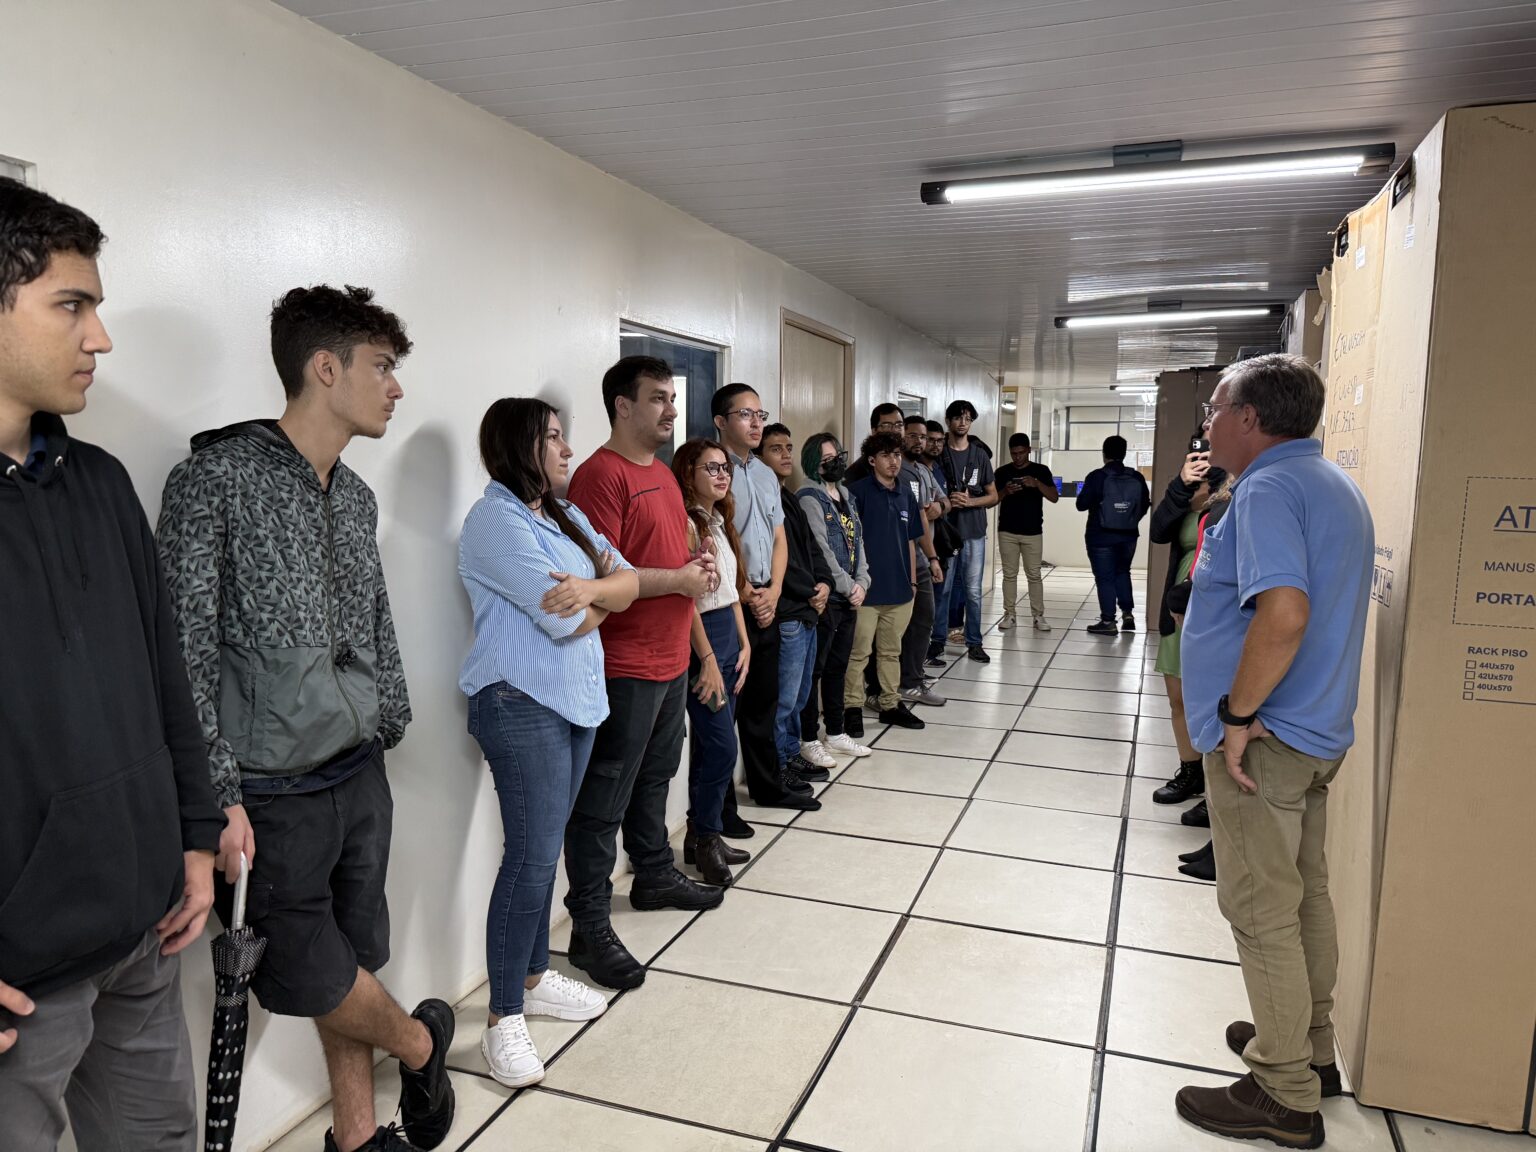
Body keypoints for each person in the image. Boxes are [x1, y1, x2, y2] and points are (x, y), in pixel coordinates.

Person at [158, 285, 455, 1152]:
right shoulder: (214, 480)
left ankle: (356, 1137)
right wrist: (216, 794)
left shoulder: (354, 495)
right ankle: (421, 1044)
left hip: (358, 770)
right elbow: (181, 648)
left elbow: (374, 618)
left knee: (353, 956)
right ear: (325, 368)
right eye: (382, 367)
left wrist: (388, 716)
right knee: (302, 972)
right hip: (267, 790)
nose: (396, 387)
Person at [0, 178, 226, 1152]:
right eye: (71, 305)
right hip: (20, 979)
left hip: (142, 927)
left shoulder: (99, 482)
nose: (100, 338)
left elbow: (164, 676)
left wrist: (195, 837)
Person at [1173, 354, 1373, 1149]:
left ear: (1251, 419)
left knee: (1259, 908)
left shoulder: (1266, 490)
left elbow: (1283, 615)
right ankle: (1309, 1048)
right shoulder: (1332, 482)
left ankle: (1281, 1091)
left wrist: (1236, 715)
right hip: (1317, 730)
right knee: (1303, 896)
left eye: (1217, 408)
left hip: (1268, 738)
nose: (1209, 422)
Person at [459, 398, 639, 1089]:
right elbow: (567, 621)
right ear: (519, 446)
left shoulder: (565, 514)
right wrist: (603, 596)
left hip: (574, 702)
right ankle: (502, 1019)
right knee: (530, 860)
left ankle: (534, 978)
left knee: (544, 851)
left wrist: (594, 591)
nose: (567, 450)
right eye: (554, 438)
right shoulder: (495, 522)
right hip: (518, 702)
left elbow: (628, 582)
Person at [563, 357, 724, 992]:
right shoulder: (598, 478)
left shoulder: (660, 474)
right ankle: (588, 927)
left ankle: (653, 874)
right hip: (623, 665)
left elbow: (673, 564)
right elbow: (604, 579)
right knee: (603, 800)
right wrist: (680, 578)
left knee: (656, 778)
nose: (671, 410)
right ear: (622, 406)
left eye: (671, 399)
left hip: (670, 658)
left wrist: (697, 573)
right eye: (657, 398)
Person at [714, 385, 821, 811]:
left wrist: (774, 591)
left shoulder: (762, 473)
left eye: (759, 414)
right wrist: (746, 591)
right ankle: (719, 809)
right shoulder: (711, 469)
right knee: (723, 714)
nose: (756, 423)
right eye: (745, 415)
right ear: (721, 422)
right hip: (730, 602)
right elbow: (715, 539)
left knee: (764, 702)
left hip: (767, 601)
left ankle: (767, 786)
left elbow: (779, 539)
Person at [671, 437, 752, 886]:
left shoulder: (719, 520)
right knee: (722, 746)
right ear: (689, 473)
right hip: (701, 639)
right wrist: (707, 659)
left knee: (710, 746)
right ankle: (705, 837)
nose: (722, 475)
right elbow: (689, 601)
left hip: (728, 636)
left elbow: (733, 592)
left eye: (725, 468)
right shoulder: (686, 523)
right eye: (711, 468)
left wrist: (744, 645)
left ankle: (704, 833)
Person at [1147, 438, 1229, 816]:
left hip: (1213, 607)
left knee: (1212, 699)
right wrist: (1181, 485)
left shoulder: (1234, 491)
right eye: (1196, 455)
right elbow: (1158, 531)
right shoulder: (1183, 491)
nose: (1201, 461)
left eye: (1209, 455)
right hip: (1178, 605)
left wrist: (1220, 480)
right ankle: (1190, 771)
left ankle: (1217, 786)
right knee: (1178, 697)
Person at [756, 424, 834, 778]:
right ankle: (779, 764)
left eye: (789, 447)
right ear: (759, 457)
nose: (786, 455)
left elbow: (813, 551)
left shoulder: (789, 497)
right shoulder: (762, 498)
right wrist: (809, 592)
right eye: (776, 449)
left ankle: (789, 752)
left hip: (808, 611)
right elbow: (776, 561)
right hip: (788, 611)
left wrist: (825, 583)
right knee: (784, 699)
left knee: (801, 696)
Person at [798, 434, 874, 755]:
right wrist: (847, 585)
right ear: (813, 464)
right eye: (827, 459)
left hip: (850, 598)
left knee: (838, 667)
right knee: (814, 670)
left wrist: (863, 582)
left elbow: (858, 543)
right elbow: (822, 550)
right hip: (827, 598)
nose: (836, 463)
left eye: (838, 456)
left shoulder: (846, 495)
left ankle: (836, 731)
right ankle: (809, 738)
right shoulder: (808, 498)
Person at [846, 433, 925, 730]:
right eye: (886, 455)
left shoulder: (906, 494)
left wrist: (913, 583)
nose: (894, 461)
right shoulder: (856, 493)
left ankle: (890, 704)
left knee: (892, 653)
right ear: (871, 460)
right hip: (866, 592)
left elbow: (910, 541)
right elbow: (849, 543)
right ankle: (852, 707)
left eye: (897, 455)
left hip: (900, 591)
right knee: (859, 654)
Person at [933, 399, 997, 663]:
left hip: (973, 532)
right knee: (943, 589)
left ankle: (974, 642)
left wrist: (970, 502)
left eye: (968, 418)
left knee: (972, 591)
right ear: (948, 421)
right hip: (945, 533)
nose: (963, 423)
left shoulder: (979, 455)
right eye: (958, 418)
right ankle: (937, 641)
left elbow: (993, 496)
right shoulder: (938, 454)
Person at [1077, 434, 1151, 636]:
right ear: (1125, 453)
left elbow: (1081, 505)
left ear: (1104, 454)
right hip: (1128, 536)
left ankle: (1108, 621)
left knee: (1105, 578)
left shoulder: (1097, 477)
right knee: (1123, 571)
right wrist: (1130, 520)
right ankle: (1128, 614)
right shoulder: (1136, 477)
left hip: (1100, 537)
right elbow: (1144, 505)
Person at [898, 414, 947, 706]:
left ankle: (913, 676)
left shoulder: (922, 471)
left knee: (923, 618)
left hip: (921, 556)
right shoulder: (900, 471)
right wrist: (931, 557)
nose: (920, 442)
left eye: (923, 437)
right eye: (913, 435)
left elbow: (942, 503)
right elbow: (916, 522)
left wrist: (940, 507)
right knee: (913, 621)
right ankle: (909, 681)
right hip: (907, 559)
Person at [993, 432, 1058, 632]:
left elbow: (1054, 497)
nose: (1017, 457)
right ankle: (1009, 614)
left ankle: (1038, 616)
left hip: (1033, 531)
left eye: (1021, 453)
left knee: (1034, 575)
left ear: (1029, 450)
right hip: (1007, 531)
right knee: (1009, 575)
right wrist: (1005, 492)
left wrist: (1036, 483)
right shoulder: (1002, 472)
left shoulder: (1041, 470)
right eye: (1014, 453)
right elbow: (991, 500)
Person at [922, 419, 954, 668]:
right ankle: (921, 653)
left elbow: (946, 502)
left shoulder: (938, 471)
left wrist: (940, 506)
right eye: (929, 440)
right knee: (923, 607)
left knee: (940, 597)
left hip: (939, 544)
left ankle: (935, 644)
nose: (934, 445)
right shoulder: (915, 471)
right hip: (920, 549)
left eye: (939, 441)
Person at [843, 401, 906, 483]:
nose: (894, 430)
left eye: (899, 425)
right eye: (886, 426)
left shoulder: (906, 465)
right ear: (874, 431)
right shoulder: (858, 474)